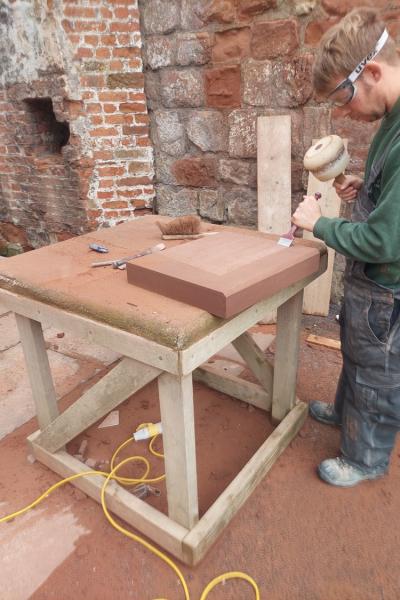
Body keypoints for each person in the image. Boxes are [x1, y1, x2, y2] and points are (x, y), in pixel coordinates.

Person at [292, 7, 400, 487]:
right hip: (371, 289)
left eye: (343, 96)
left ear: (371, 72)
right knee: (356, 354)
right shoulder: (391, 122)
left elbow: (384, 240)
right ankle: (343, 413)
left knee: (377, 375)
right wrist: (367, 188)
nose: (342, 112)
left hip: (388, 291)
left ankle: (365, 459)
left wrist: (321, 225)